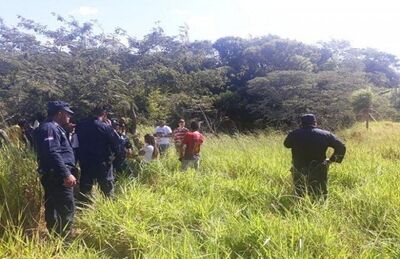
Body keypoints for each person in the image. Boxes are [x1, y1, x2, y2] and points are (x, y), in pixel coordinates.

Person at [34, 101, 77, 236]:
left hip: (55, 174)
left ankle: (55, 238)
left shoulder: (54, 127)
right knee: (65, 209)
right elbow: (52, 152)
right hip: (57, 176)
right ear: (59, 114)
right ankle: (64, 242)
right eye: (67, 114)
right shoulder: (49, 128)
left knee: (54, 207)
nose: (69, 116)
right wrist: (65, 174)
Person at [284, 114, 346, 198]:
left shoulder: (294, 134)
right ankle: (321, 208)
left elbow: (287, 145)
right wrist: (331, 160)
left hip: (299, 168)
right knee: (320, 193)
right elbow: (341, 147)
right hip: (319, 168)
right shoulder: (326, 134)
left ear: (301, 123)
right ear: (315, 122)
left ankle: (300, 209)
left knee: (300, 194)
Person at [76, 107, 121, 202]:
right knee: (107, 190)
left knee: (86, 188)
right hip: (102, 162)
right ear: (104, 114)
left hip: (85, 162)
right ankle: (108, 209)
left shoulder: (80, 125)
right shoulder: (105, 127)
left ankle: (84, 209)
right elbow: (116, 145)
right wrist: (116, 161)